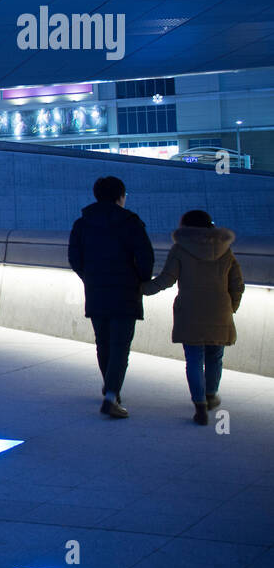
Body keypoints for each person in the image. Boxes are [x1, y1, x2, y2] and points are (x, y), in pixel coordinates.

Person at [141, 210, 244, 425]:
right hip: (220, 311)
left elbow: (167, 279)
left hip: (190, 312)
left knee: (194, 360)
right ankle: (210, 395)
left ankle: (200, 407)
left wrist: (142, 289)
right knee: (215, 357)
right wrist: (230, 308)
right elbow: (237, 285)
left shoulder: (180, 249)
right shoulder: (226, 250)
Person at [68, 176, 154, 419]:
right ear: (120, 196)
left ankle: (110, 387)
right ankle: (111, 395)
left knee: (103, 343)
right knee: (120, 346)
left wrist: (89, 277)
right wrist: (140, 279)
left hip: (96, 289)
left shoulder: (82, 223)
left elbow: (74, 258)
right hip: (126, 290)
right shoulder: (131, 222)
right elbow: (145, 257)